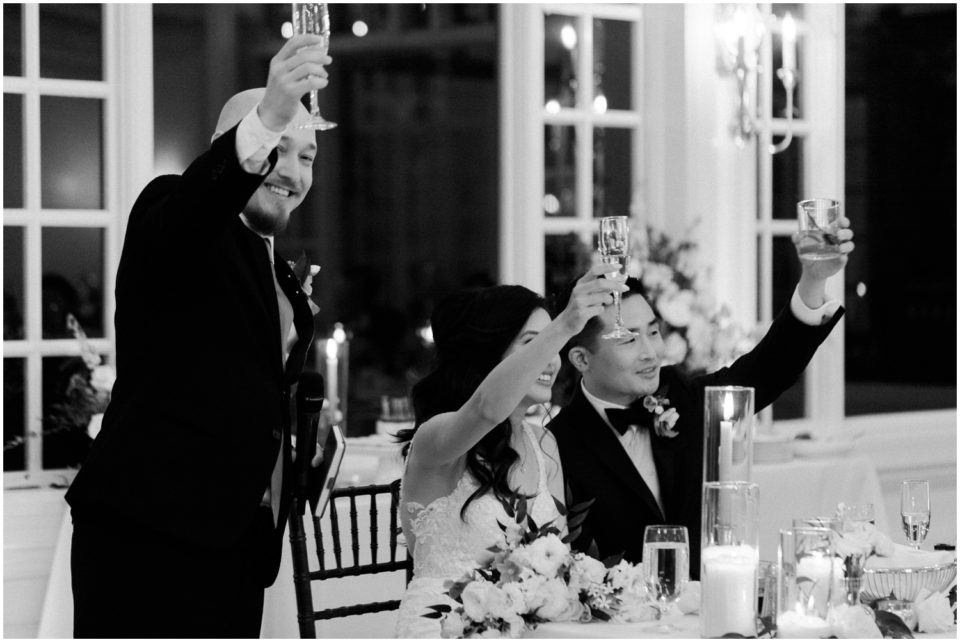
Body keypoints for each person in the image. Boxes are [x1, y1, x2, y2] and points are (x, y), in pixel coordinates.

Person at [65, 34, 331, 638]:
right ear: (230, 155)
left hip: (235, 543)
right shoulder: (175, 217)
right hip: (150, 538)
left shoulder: (275, 268)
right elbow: (197, 206)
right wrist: (268, 114)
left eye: (307, 156)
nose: (290, 171)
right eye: (275, 149)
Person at [549, 220, 855, 578]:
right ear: (582, 359)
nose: (651, 353)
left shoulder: (679, 395)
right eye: (629, 339)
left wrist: (813, 279)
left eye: (653, 332)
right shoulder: (557, 443)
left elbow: (765, 372)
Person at [394, 264, 626, 638]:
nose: (552, 359)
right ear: (490, 355)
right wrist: (565, 324)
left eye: (551, 344)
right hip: (444, 628)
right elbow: (486, 408)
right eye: (533, 343)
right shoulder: (437, 438)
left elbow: (556, 561)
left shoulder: (543, 443)